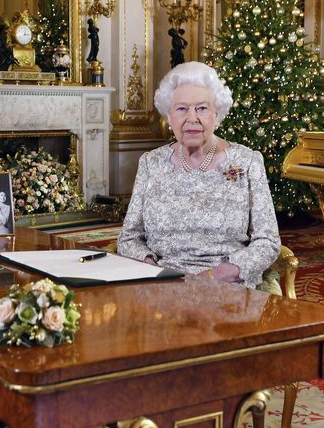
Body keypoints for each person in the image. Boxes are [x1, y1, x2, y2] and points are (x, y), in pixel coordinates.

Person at [117, 61, 280, 288]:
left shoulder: (247, 161)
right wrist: (152, 269)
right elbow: (129, 238)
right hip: (162, 285)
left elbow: (268, 241)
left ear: (216, 113)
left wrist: (219, 275)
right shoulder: (150, 163)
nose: (192, 118)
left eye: (202, 108)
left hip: (228, 287)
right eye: (182, 108)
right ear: (169, 115)